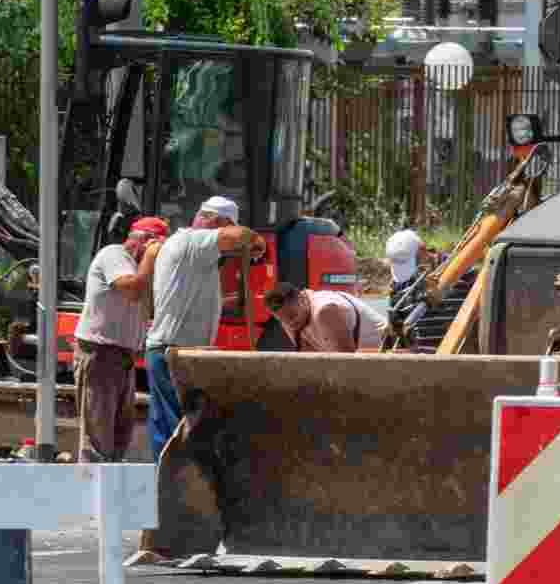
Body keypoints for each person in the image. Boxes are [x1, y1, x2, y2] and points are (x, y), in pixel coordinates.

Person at [144, 196, 265, 462]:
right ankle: (169, 491)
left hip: (178, 350)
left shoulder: (196, 257)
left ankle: (180, 488)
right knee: (174, 432)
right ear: (217, 222)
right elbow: (241, 235)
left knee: (183, 430)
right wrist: (256, 243)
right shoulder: (193, 241)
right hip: (171, 352)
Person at [72, 216, 170, 463]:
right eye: (156, 250)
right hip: (101, 353)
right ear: (143, 242)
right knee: (98, 437)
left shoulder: (142, 269)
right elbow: (133, 290)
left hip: (122, 356)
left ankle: (111, 490)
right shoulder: (113, 255)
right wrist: (151, 257)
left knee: (119, 436)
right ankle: (92, 493)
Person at [264, 282, 388, 352]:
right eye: (282, 320)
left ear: (302, 298)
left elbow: (347, 363)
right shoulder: (289, 319)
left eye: (292, 316)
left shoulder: (325, 311)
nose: (290, 323)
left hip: (387, 353)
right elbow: (309, 360)